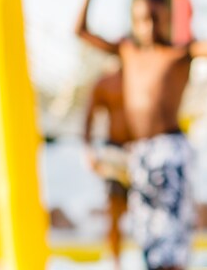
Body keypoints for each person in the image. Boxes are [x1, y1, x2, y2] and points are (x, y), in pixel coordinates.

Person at [75, 0, 207, 270]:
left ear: (167, 18)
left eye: (155, 18)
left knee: (171, 235)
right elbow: (81, 31)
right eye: (142, 19)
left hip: (169, 150)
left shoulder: (179, 54)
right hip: (138, 153)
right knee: (147, 234)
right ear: (133, 21)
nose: (149, 26)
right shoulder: (128, 51)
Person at [82, 69, 133, 270]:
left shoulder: (144, 75)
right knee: (114, 209)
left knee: (145, 211)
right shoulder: (107, 82)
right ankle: (116, 263)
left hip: (142, 147)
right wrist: (88, 149)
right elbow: (89, 114)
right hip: (115, 150)